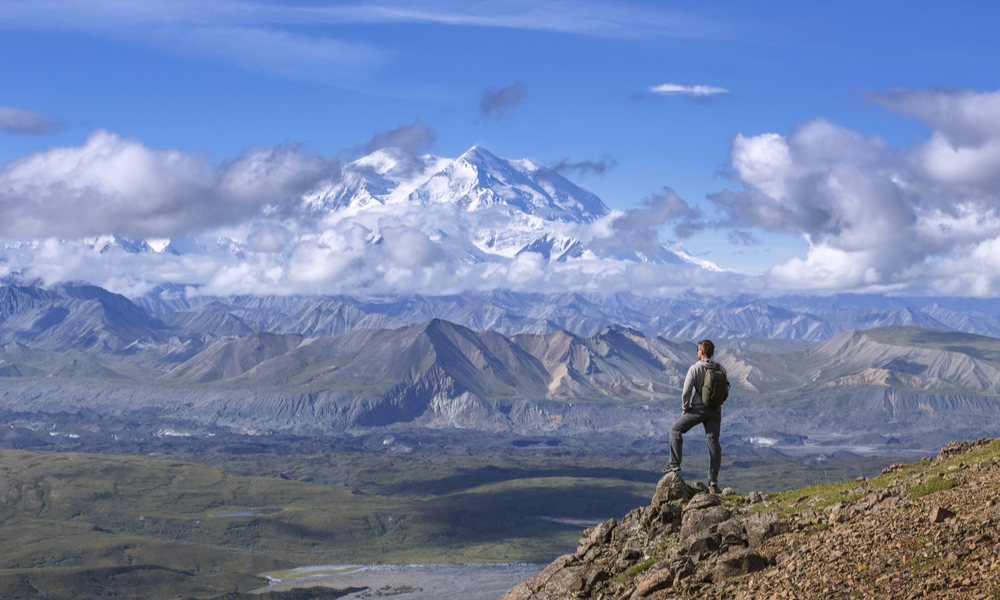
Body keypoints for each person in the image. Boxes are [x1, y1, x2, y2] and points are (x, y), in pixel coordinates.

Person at [664, 339, 725, 494]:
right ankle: (713, 482)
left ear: (702, 352)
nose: (697, 352)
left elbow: (686, 392)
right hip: (715, 411)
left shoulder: (694, 369)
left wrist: (685, 409)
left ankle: (674, 464)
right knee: (713, 444)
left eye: (698, 349)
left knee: (675, 430)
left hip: (698, 411)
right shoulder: (721, 368)